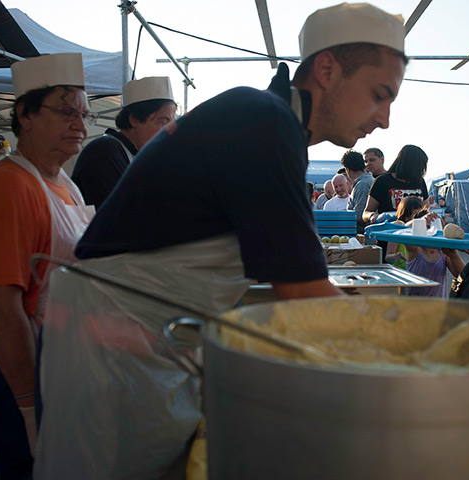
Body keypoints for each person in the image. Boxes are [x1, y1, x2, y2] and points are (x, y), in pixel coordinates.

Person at [36, 3, 408, 479]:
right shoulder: (263, 120)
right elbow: (303, 296)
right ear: (328, 69)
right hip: (113, 341)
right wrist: (407, 354)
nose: (385, 119)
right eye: (380, 95)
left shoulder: (265, 120)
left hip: (141, 333)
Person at [0, 53, 95, 479]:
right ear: (25, 114)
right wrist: (28, 405)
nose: (80, 125)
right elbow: (2, 309)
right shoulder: (8, 187)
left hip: (62, 357)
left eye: (84, 114)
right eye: (66, 112)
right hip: (21, 367)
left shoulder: (65, 184)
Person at [71, 76, 176, 209]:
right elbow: (120, 217)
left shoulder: (141, 158)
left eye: (172, 124)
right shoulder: (105, 151)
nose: (169, 132)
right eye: (163, 122)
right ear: (134, 119)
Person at [362, 144, 429, 261]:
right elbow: (365, 213)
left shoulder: (419, 182)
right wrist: (374, 216)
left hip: (416, 245)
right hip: (387, 245)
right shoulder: (382, 181)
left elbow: (427, 210)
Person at [391, 196, 464, 297]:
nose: (432, 233)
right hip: (416, 307)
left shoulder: (443, 253)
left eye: (435, 229)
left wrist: (454, 254)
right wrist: (421, 221)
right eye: (428, 229)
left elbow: (462, 275)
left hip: (438, 308)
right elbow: (404, 230)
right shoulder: (416, 250)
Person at [341, 149, 373, 232]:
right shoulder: (368, 181)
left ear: (348, 170)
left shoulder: (362, 185)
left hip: (364, 236)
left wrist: (341, 216)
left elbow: (359, 215)